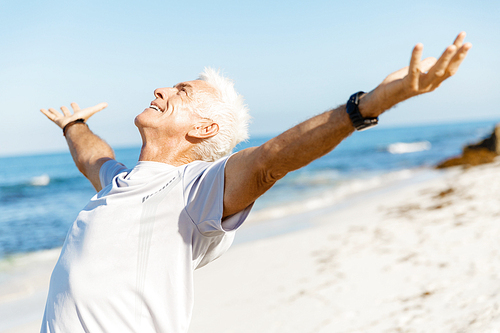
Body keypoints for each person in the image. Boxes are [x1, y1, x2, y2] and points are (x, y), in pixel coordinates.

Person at [39, 32, 471, 333]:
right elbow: (93, 157)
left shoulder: (193, 190)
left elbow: (271, 160)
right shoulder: (119, 182)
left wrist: (368, 105)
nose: (161, 90)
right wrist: (73, 124)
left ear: (205, 130)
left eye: (182, 91)